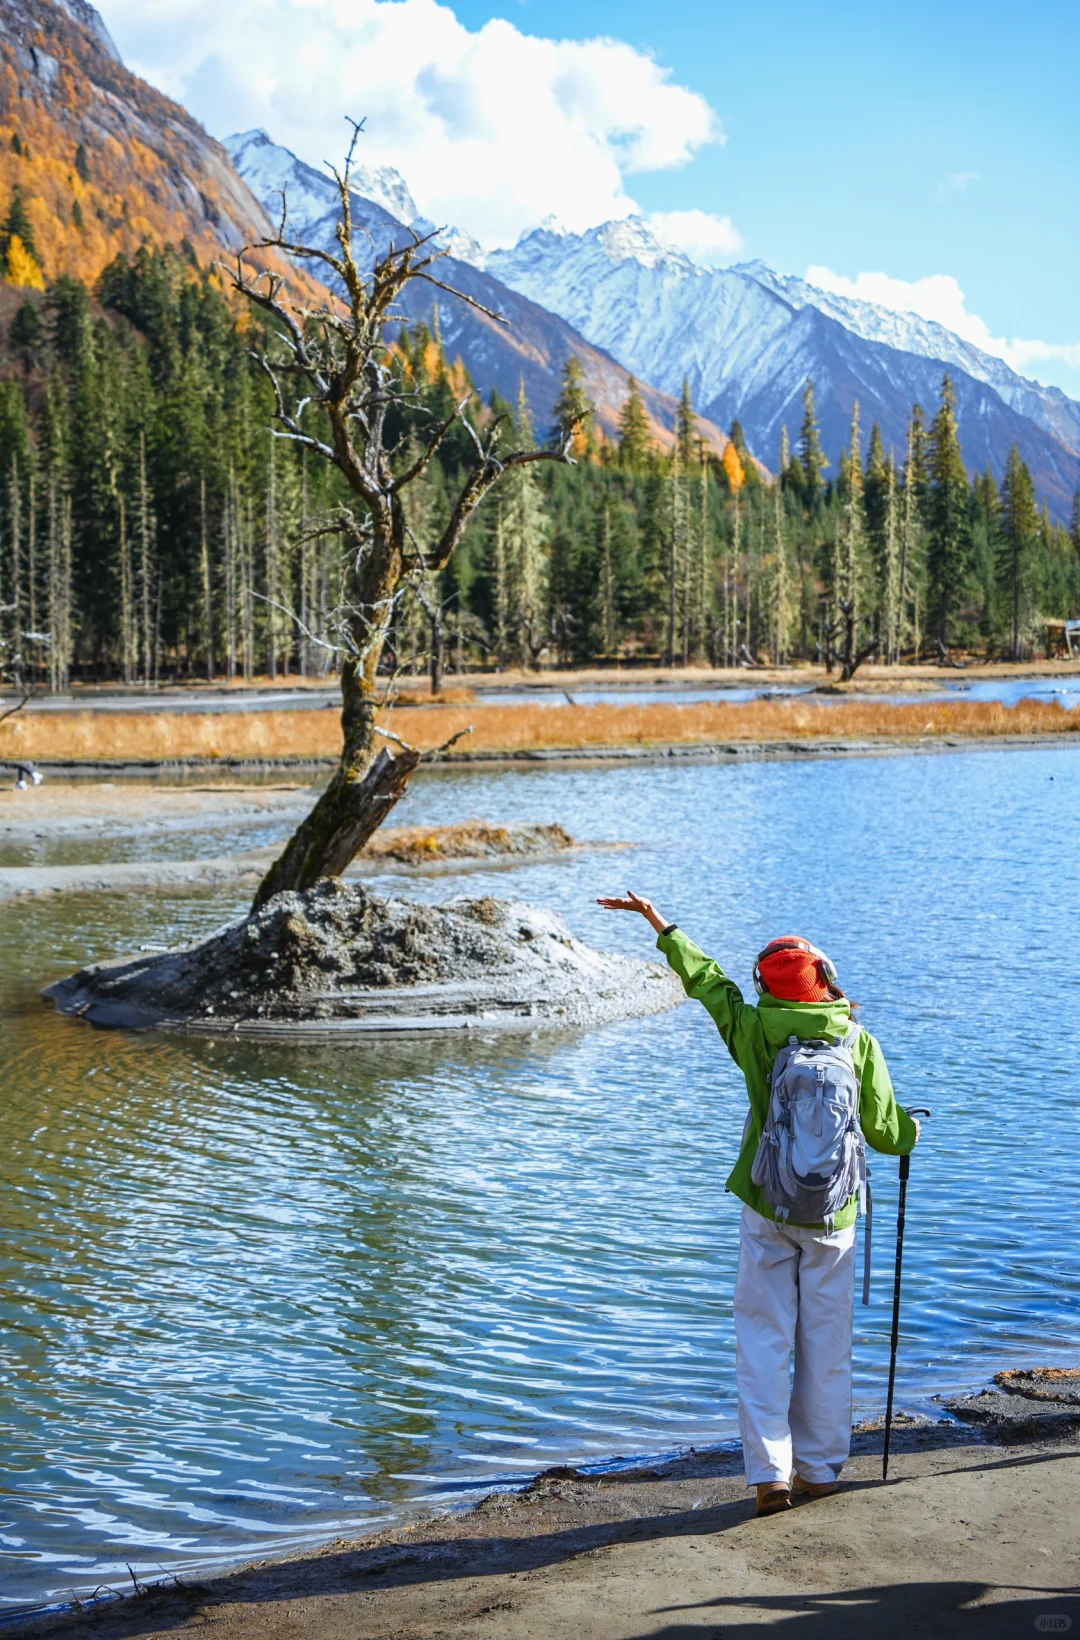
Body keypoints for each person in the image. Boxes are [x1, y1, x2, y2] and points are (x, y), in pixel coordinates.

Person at [597, 889, 919, 1518]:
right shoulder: (855, 1040)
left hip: (766, 1204)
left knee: (763, 1341)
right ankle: (820, 1471)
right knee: (827, 1344)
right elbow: (886, 1134)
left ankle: (770, 1475)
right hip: (834, 1217)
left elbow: (707, 983)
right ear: (823, 979)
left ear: (767, 985)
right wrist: (914, 1131)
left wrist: (660, 924)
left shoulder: (752, 1030)